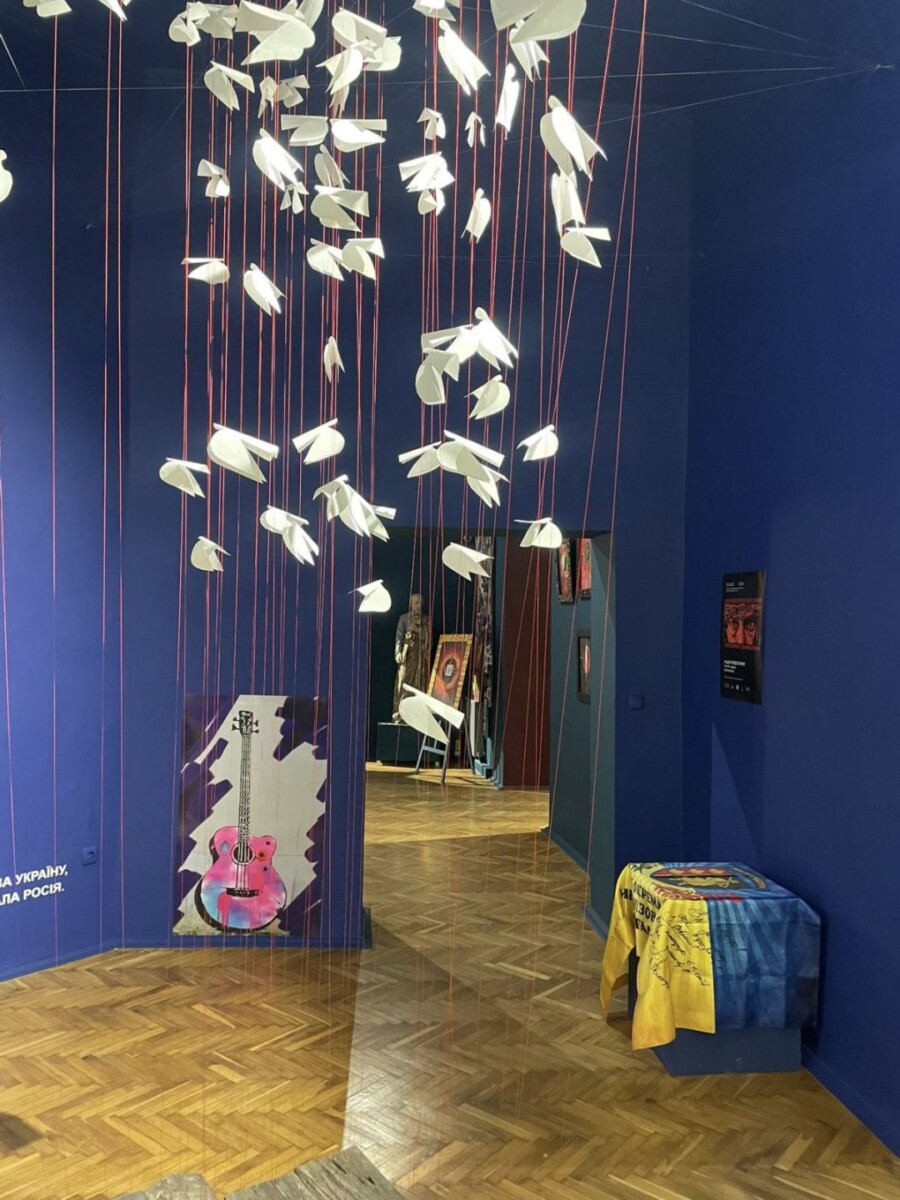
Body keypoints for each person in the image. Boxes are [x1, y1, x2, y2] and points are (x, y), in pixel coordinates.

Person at [392, 594, 433, 722]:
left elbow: (429, 639)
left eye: (420, 603)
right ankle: (400, 713)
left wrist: (418, 630)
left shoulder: (426, 620)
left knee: (419, 684)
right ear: (411, 604)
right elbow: (399, 637)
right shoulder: (404, 618)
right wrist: (398, 653)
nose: (418, 606)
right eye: (415, 603)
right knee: (403, 684)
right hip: (407, 657)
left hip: (420, 658)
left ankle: (418, 715)